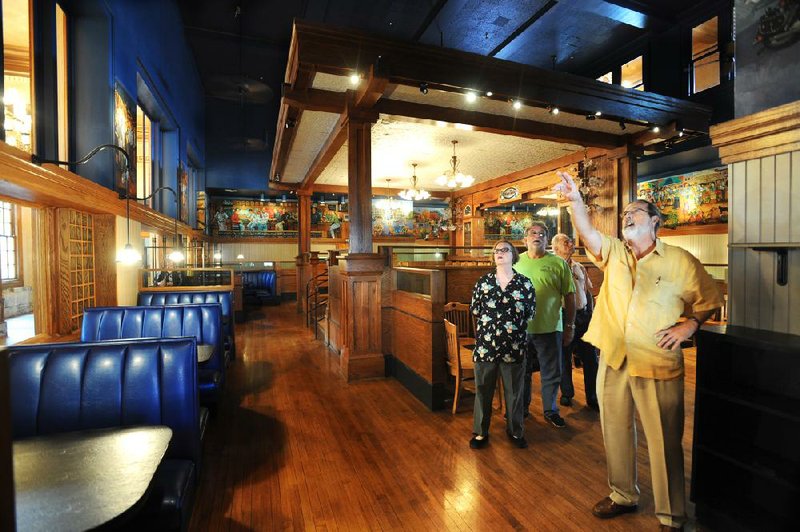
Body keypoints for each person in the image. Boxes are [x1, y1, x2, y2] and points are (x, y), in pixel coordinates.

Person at [554, 171, 722, 531]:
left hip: (657, 360)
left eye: (636, 213)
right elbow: (587, 231)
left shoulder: (679, 260)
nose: (627, 216)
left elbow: (711, 297)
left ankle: (671, 515)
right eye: (625, 213)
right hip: (613, 358)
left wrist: (690, 325)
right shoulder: (614, 252)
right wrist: (575, 202)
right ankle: (622, 495)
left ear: (655, 223)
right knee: (613, 430)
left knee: (664, 440)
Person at [469, 239, 536, 450]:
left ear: (513, 255)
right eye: (497, 250)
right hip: (486, 346)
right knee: (483, 390)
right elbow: (476, 310)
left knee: (515, 392)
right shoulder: (483, 282)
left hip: (514, 345)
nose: (500, 253)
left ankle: (516, 431)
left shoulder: (525, 284)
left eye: (505, 250)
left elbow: (529, 313)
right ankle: (480, 432)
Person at [514, 222, 576, 428]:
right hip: (520, 329)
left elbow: (569, 296)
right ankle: (521, 409)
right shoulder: (514, 262)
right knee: (521, 372)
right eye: (533, 233)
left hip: (550, 328)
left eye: (542, 233)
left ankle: (550, 410)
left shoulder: (558, 263)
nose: (537, 236)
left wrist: (570, 326)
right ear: (525, 239)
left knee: (551, 372)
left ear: (547, 240)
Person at [551, 233, 599, 411]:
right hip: (562, 317)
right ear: (555, 248)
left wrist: (591, 314)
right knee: (564, 357)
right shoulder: (553, 269)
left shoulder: (579, 266)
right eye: (566, 243)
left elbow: (587, 291)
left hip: (583, 316)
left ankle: (592, 396)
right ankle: (567, 394)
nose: (570, 244)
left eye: (570, 241)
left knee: (591, 358)